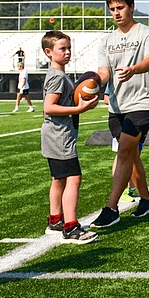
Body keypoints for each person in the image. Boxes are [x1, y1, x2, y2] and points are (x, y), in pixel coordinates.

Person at [90, 0, 149, 230]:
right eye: (112, 9)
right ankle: (147, 200)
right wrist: (93, 85)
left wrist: (135, 69)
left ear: (131, 7)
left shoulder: (147, 33)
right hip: (117, 105)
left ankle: (111, 208)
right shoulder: (106, 41)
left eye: (120, 8)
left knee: (124, 150)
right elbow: (104, 72)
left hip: (143, 102)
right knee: (132, 154)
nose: (116, 13)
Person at [40, 30, 99, 243]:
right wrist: (79, 109)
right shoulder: (57, 77)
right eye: (62, 49)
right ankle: (71, 227)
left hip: (56, 134)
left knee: (59, 179)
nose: (67, 52)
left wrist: (79, 105)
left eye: (69, 48)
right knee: (73, 178)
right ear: (49, 52)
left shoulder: (59, 75)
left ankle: (55, 220)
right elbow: (49, 107)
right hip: (59, 136)